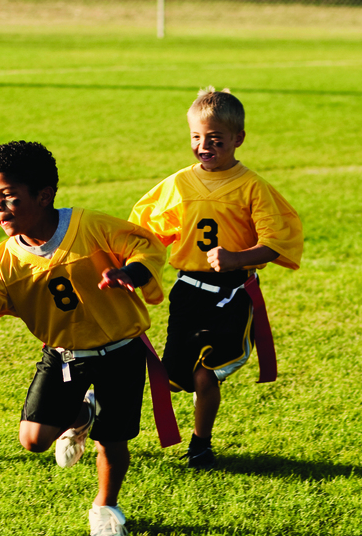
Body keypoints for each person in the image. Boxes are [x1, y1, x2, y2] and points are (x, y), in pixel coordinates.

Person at [0, 141, 166, 536]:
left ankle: (105, 507)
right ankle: (80, 413)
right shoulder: (1, 262)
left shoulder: (91, 228)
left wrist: (132, 274)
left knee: (112, 439)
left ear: (44, 195)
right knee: (33, 440)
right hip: (64, 355)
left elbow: (145, 245)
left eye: (9, 198)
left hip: (120, 351)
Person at [128, 87, 304, 469]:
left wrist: (239, 257)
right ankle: (97, 405)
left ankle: (200, 444)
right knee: (174, 378)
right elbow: (147, 230)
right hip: (187, 293)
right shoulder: (179, 183)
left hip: (231, 296)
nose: (203, 146)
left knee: (206, 375)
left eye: (215, 139)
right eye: (196, 137)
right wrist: (130, 264)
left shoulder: (252, 187)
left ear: (238, 139)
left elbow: (276, 242)